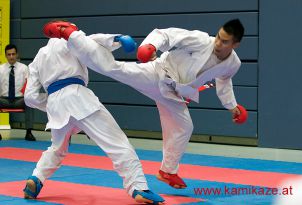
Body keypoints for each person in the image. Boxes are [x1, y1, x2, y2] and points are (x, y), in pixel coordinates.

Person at [43, 19, 247, 190]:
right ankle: (71, 35)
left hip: (173, 93)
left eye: (225, 41)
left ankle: (167, 171)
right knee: (115, 68)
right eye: (219, 37)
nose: (218, 43)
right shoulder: (203, 41)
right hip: (157, 73)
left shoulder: (233, 64)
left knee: (184, 127)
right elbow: (167, 34)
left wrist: (232, 106)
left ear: (235, 44)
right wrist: (149, 46)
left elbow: (224, 80)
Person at [22, 24, 164, 205]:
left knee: (57, 149)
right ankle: (139, 187)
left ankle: (36, 178)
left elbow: (30, 97)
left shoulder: (38, 58)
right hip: (78, 97)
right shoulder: (71, 40)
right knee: (117, 142)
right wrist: (117, 38)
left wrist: (50, 104)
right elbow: (92, 42)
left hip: (55, 103)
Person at [0, 44, 36, 141]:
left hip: (19, 100)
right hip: (4, 100)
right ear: (5, 55)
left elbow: (30, 85)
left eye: (13, 54)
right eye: (9, 54)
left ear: (17, 55)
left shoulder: (24, 68)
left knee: (29, 101)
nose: (11, 57)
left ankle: (29, 132)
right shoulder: (0, 69)